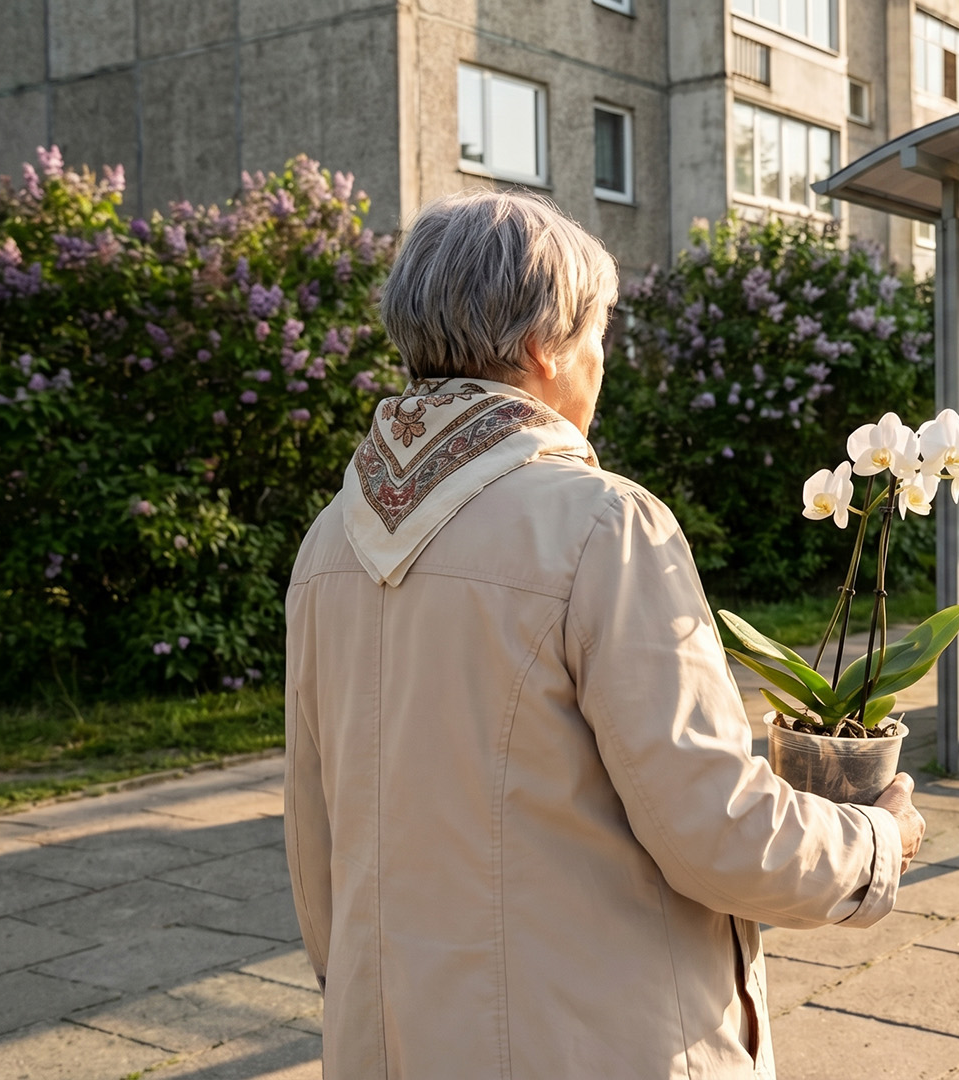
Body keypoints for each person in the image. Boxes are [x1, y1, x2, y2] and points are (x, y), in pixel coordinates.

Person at [283, 190, 924, 1079]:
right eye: (598, 338)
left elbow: (316, 845)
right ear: (544, 346)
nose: (600, 366)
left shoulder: (327, 542)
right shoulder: (602, 525)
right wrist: (875, 841)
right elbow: (715, 830)